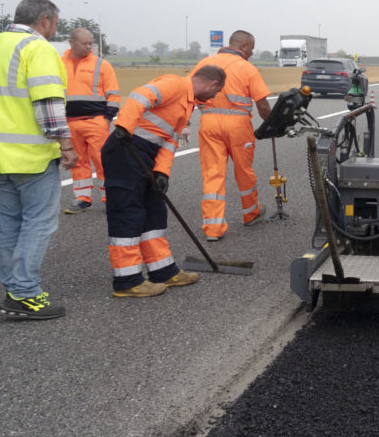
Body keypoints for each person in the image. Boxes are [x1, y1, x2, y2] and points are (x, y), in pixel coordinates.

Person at [101, 65, 226, 297]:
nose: (214, 97)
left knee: (154, 212)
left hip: (147, 155)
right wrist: (124, 127)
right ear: (213, 84)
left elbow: (169, 140)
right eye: (216, 92)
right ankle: (127, 280)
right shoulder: (177, 84)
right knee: (128, 213)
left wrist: (162, 173)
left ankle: (163, 271)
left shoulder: (188, 104)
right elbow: (140, 95)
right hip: (125, 148)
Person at [0, 0, 76, 319]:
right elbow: (49, 104)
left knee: (9, 224)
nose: (53, 30)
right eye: (54, 23)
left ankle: (13, 287)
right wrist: (66, 145)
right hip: (31, 156)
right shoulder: (37, 48)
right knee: (38, 223)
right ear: (45, 20)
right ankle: (24, 293)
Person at [191, 30, 272, 242]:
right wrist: (273, 125)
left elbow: (188, 92)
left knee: (212, 173)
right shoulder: (247, 68)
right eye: (252, 49)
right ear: (244, 46)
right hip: (238, 126)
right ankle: (251, 213)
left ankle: (213, 228)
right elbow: (262, 104)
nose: (252, 53)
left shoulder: (204, 64)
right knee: (244, 171)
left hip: (208, 123)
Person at [61, 27, 120, 213]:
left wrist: (106, 119)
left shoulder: (102, 65)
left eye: (90, 43)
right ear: (71, 42)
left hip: (96, 121)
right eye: (84, 43)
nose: (89, 47)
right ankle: (82, 198)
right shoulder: (58, 63)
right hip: (69, 122)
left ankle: (109, 196)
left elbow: (114, 94)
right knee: (77, 162)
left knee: (103, 160)